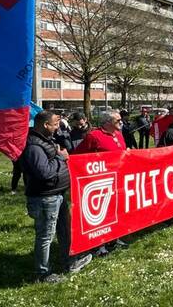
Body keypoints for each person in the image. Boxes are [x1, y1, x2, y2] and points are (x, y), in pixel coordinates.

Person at [21, 111, 92, 282]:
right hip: (45, 198)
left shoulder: (47, 140)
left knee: (64, 229)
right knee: (46, 235)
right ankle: (43, 273)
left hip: (57, 194)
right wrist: (61, 158)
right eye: (55, 124)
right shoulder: (34, 146)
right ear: (45, 125)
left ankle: (70, 262)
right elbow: (44, 173)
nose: (58, 127)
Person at [72, 110, 128, 256]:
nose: (121, 123)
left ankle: (114, 238)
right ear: (107, 122)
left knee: (116, 211)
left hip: (118, 180)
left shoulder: (119, 134)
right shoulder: (94, 136)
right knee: (101, 215)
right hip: (100, 182)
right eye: (117, 120)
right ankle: (98, 245)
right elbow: (78, 157)